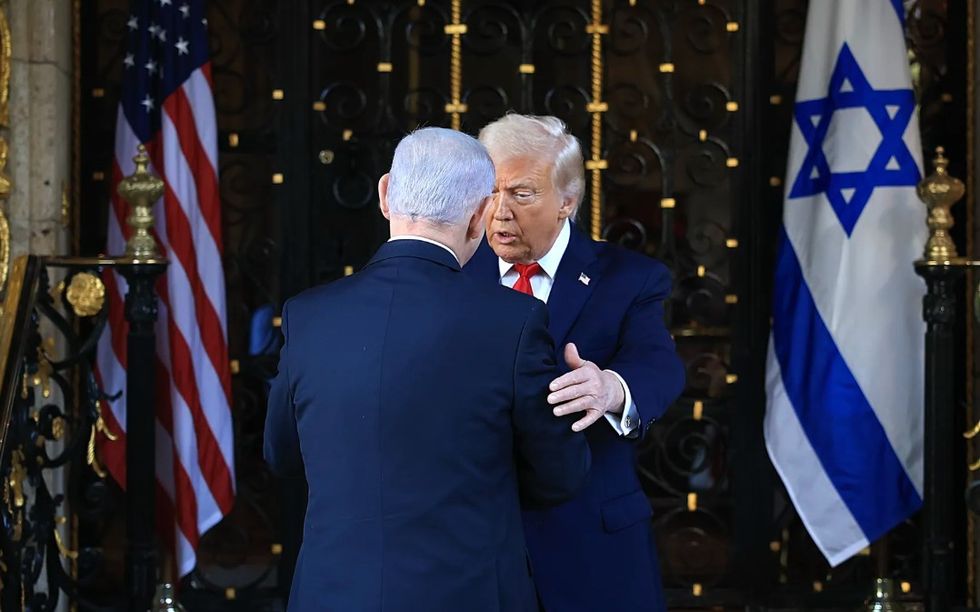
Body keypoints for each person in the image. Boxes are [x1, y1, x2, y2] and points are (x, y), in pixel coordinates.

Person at [264, 127, 591, 612]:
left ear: (385, 194)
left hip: (333, 595)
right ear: (479, 215)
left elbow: (281, 455)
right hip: (469, 595)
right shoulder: (515, 322)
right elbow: (559, 475)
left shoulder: (307, 315)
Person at [465, 114, 686, 612]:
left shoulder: (629, 277)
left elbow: (658, 364)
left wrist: (611, 389)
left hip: (592, 550)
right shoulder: (453, 273)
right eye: (490, 191)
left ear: (567, 200)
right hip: (478, 551)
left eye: (521, 194)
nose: (500, 212)